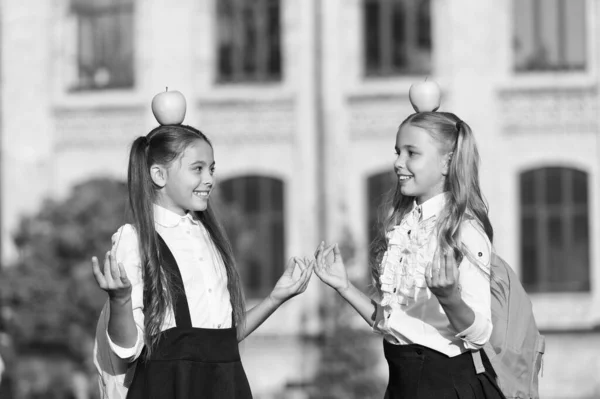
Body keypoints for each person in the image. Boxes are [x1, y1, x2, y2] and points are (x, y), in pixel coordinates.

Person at [91, 124, 313, 398]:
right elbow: (127, 348)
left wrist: (275, 298)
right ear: (159, 175)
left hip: (227, 382)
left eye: (212, 169)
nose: (209, 179)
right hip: (170, 386)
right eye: (197, 169)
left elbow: (222, 340)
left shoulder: (209, 237)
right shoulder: (135, 240)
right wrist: (120, 300)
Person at [314, 111, 505, 398]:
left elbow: (480, 334)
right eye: (398, 152)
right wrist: (344, 287)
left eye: (411, 153)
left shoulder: (463, 232)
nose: (398, 162)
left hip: (443, 386)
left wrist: (450, 299)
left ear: (447, 162)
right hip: (402, 383)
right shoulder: (406, 225)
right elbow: (395, 324)